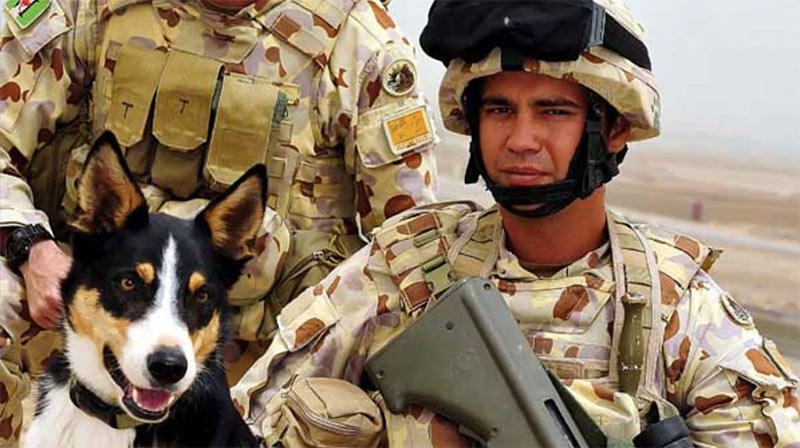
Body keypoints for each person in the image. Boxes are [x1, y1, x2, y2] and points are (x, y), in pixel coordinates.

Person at [231, 0, 800, 446]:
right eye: (499, 110)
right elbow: (246, 421)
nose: (521, 140)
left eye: (554, 111)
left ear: (616, 130)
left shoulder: (676, 310)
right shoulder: (403, 270)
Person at [0, 0, 438, 443]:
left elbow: (412, 242)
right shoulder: (93, 8)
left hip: (273, 358)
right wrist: (31, 248)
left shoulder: (358, 42)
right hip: (97, 316)